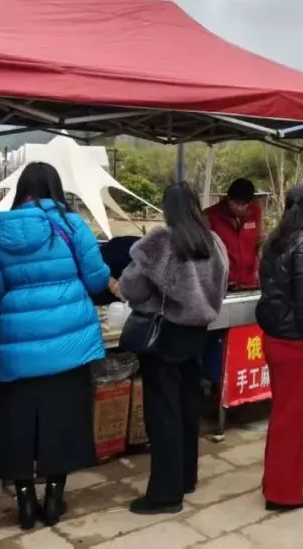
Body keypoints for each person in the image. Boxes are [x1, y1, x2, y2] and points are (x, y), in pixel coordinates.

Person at [0, 162, 111, 529]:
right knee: (64, 419)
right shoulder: (72, 224)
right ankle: (54, 497)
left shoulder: (2, 231)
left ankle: (24, 500)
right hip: (69, 341)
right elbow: (97, 279)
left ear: (21, 189)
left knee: (16, 421)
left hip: (18, 345)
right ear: (56, 188)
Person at [121, 182, 229, 515]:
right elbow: (221, 285)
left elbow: (131, 286)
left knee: (163, 414)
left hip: (164, 336)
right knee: (187, 407)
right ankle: (186, 477)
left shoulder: (160, 242)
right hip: (197, 334)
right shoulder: (214, 242)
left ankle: (166, 494)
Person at [255, 185, 303, 512]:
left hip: (275, 337)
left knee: (282, 415)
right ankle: (283, 492)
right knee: (294, 420)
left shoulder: (277, 240)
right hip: (295, 343)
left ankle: (274, 481)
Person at [205, 178, 263, 290]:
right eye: (236, 203)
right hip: (223, 285)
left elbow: (260, 242)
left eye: (244, 204)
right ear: (228, 198)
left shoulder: (256, 213)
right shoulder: (211, 216)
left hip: (250, 283)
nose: (240, 208)